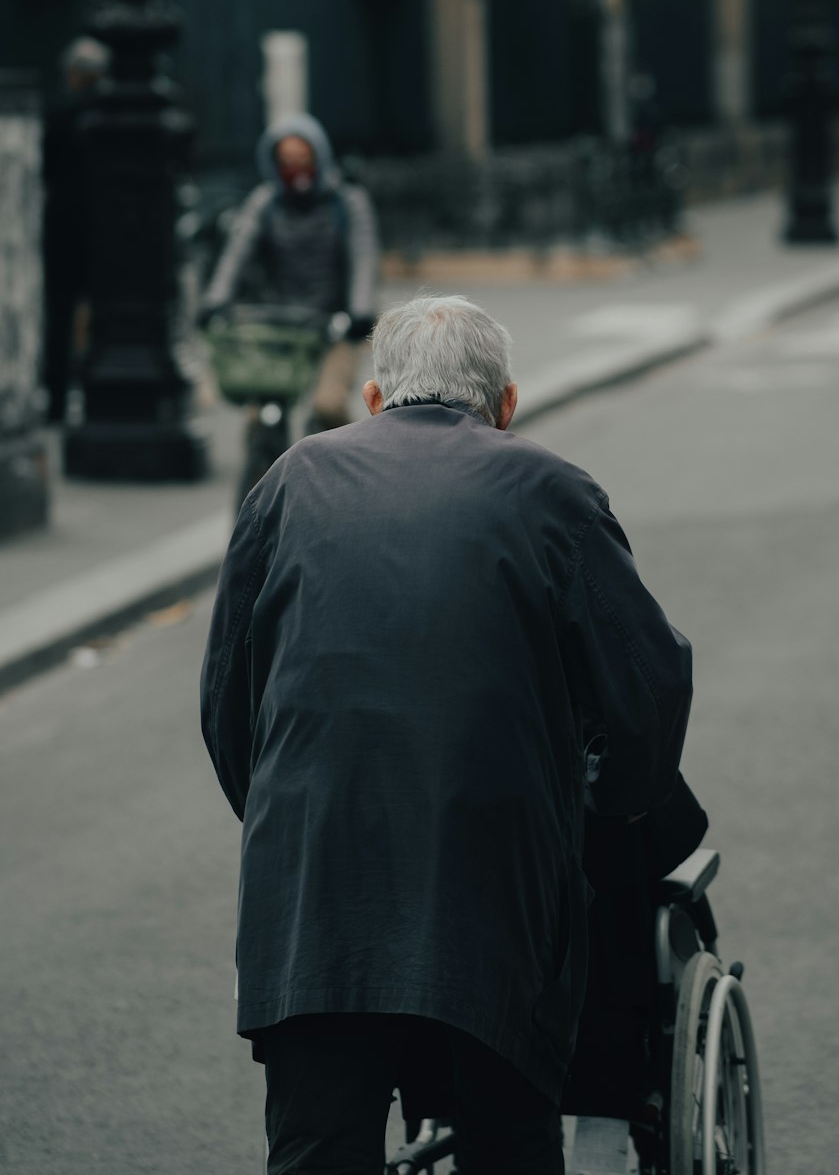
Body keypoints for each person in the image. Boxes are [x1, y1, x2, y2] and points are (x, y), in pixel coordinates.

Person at [200, 294, 695, 1175]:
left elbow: (227, 704)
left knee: (318, 1149)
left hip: (314, 894)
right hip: (491, 903)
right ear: (506, 407)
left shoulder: (287, 482)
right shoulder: (554, 493)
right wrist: (610, 810)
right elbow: (648, 693)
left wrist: (290, 816)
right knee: (508, 1142)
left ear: (375, 398)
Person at [199, 111, 379, 431]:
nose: (295, 167)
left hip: (335, 326)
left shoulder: (348, 203)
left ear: (319, 157)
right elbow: (236, 253)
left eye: (303, 157)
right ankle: (262, 477)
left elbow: (363, 258)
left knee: (328, 404)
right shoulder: (265, 203)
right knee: (260, 415)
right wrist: (215, 300)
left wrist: (360, 312)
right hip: (281, 326)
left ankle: (349, 460)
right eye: (286, 160)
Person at [40, 36, 109, 423]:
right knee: (105, 315)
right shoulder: (114, 114)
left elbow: (48, 170)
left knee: (60, 314)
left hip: (65, 224)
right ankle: (97, 391)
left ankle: (56, 400)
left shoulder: (60, 114)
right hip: (106, 228)